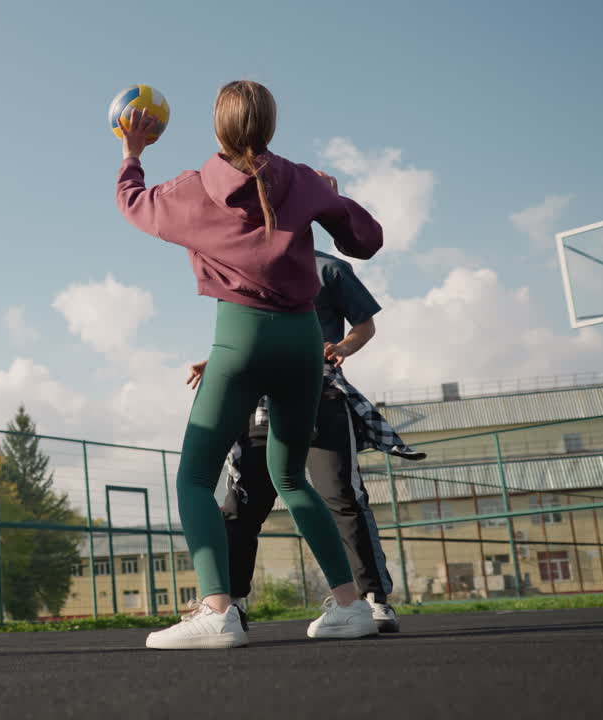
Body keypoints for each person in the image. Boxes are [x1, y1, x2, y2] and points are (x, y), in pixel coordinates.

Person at [114, 81, 383, 649]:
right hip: (304, 344)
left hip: (240, 341)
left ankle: (217, 609)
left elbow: (134, 205)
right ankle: (350, 605)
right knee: (291, 477)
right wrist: (334, 201)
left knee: (193, 477)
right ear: (271, 126)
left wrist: (132, 155)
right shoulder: (303, 179)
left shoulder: (195, 188)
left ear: (218, 130)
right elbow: (367, 239)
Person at [187, 250, 428, 634]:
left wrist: (342, 347)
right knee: (243, 503)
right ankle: (229, 605)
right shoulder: (246, 261)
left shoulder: (328, 268)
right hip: (261, 398)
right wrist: (218, 361)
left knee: (342, 497)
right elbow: (248, 334)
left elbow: (364, 325)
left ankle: (372, 600)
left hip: (319, 393)